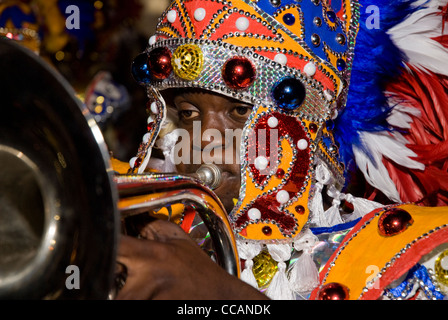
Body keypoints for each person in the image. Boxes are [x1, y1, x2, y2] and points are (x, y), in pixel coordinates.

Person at [114, 0, 448, 300]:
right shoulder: (155, 230)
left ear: (305, 131)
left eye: (240, 111)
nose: (203, 140)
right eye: (188, 114)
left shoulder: (407, 257)